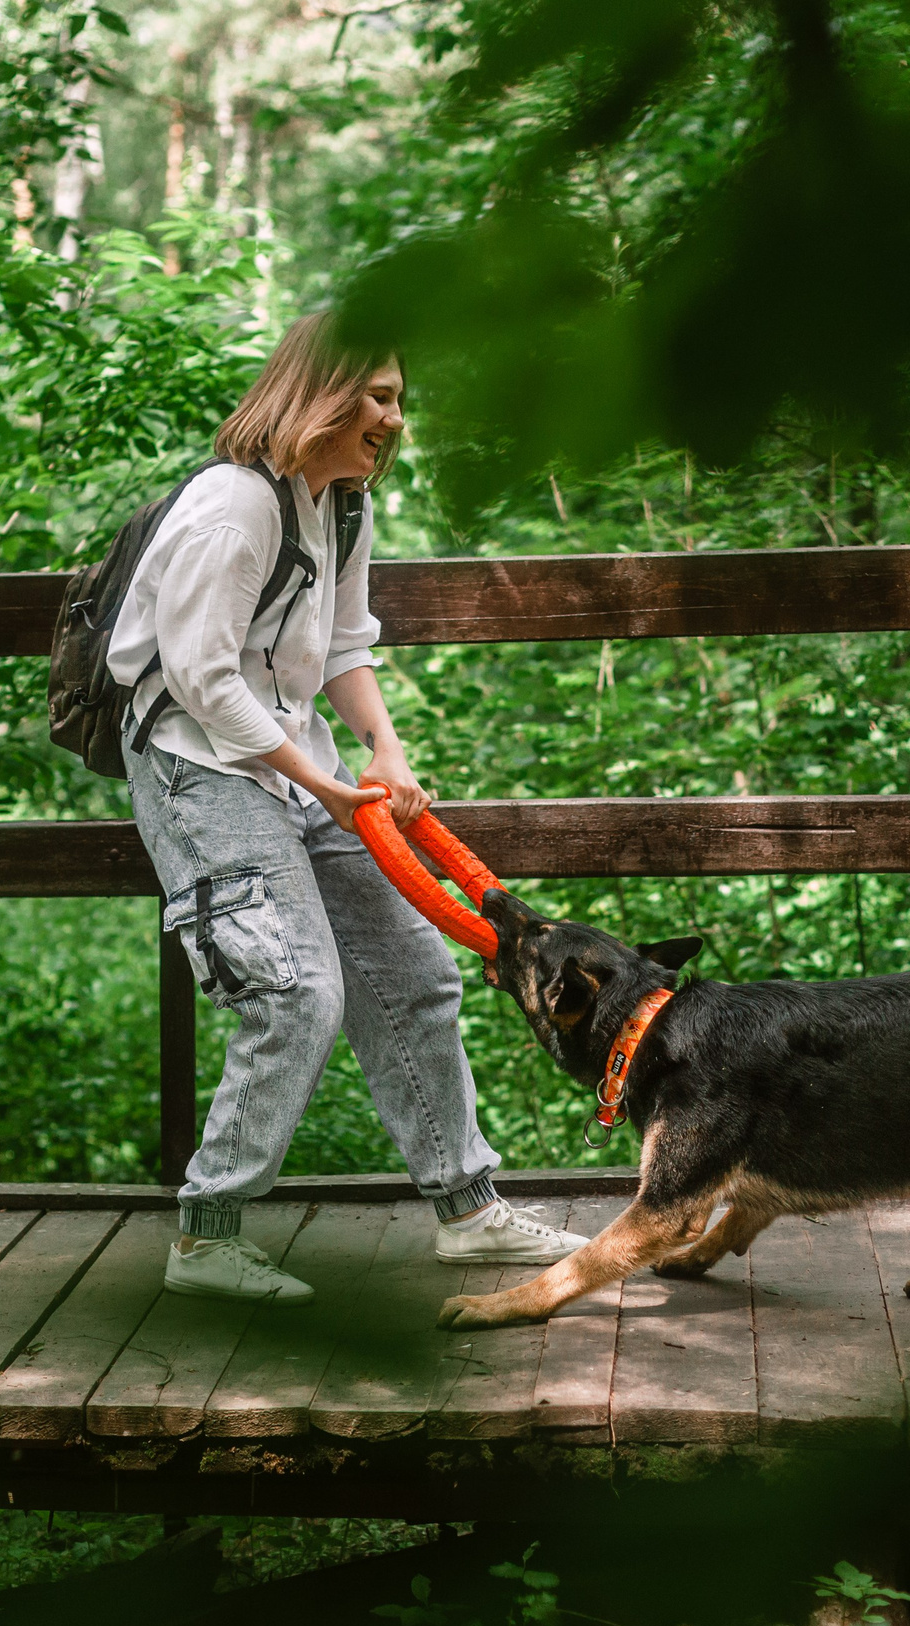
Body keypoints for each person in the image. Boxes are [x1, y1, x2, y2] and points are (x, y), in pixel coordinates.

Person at [108, 312, 588, 1303]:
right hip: (198, 769)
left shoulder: (339, 505)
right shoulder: (234, 507)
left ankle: (470, 1213)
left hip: (298, 763)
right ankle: (205, 1238)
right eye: (378, 396)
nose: (394, 418)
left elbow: (341, 644)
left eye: (398, 398)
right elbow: (200, 678)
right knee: (295, 992)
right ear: (318, 393)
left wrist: (383, 746)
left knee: (415, 973)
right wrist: (320, 780)